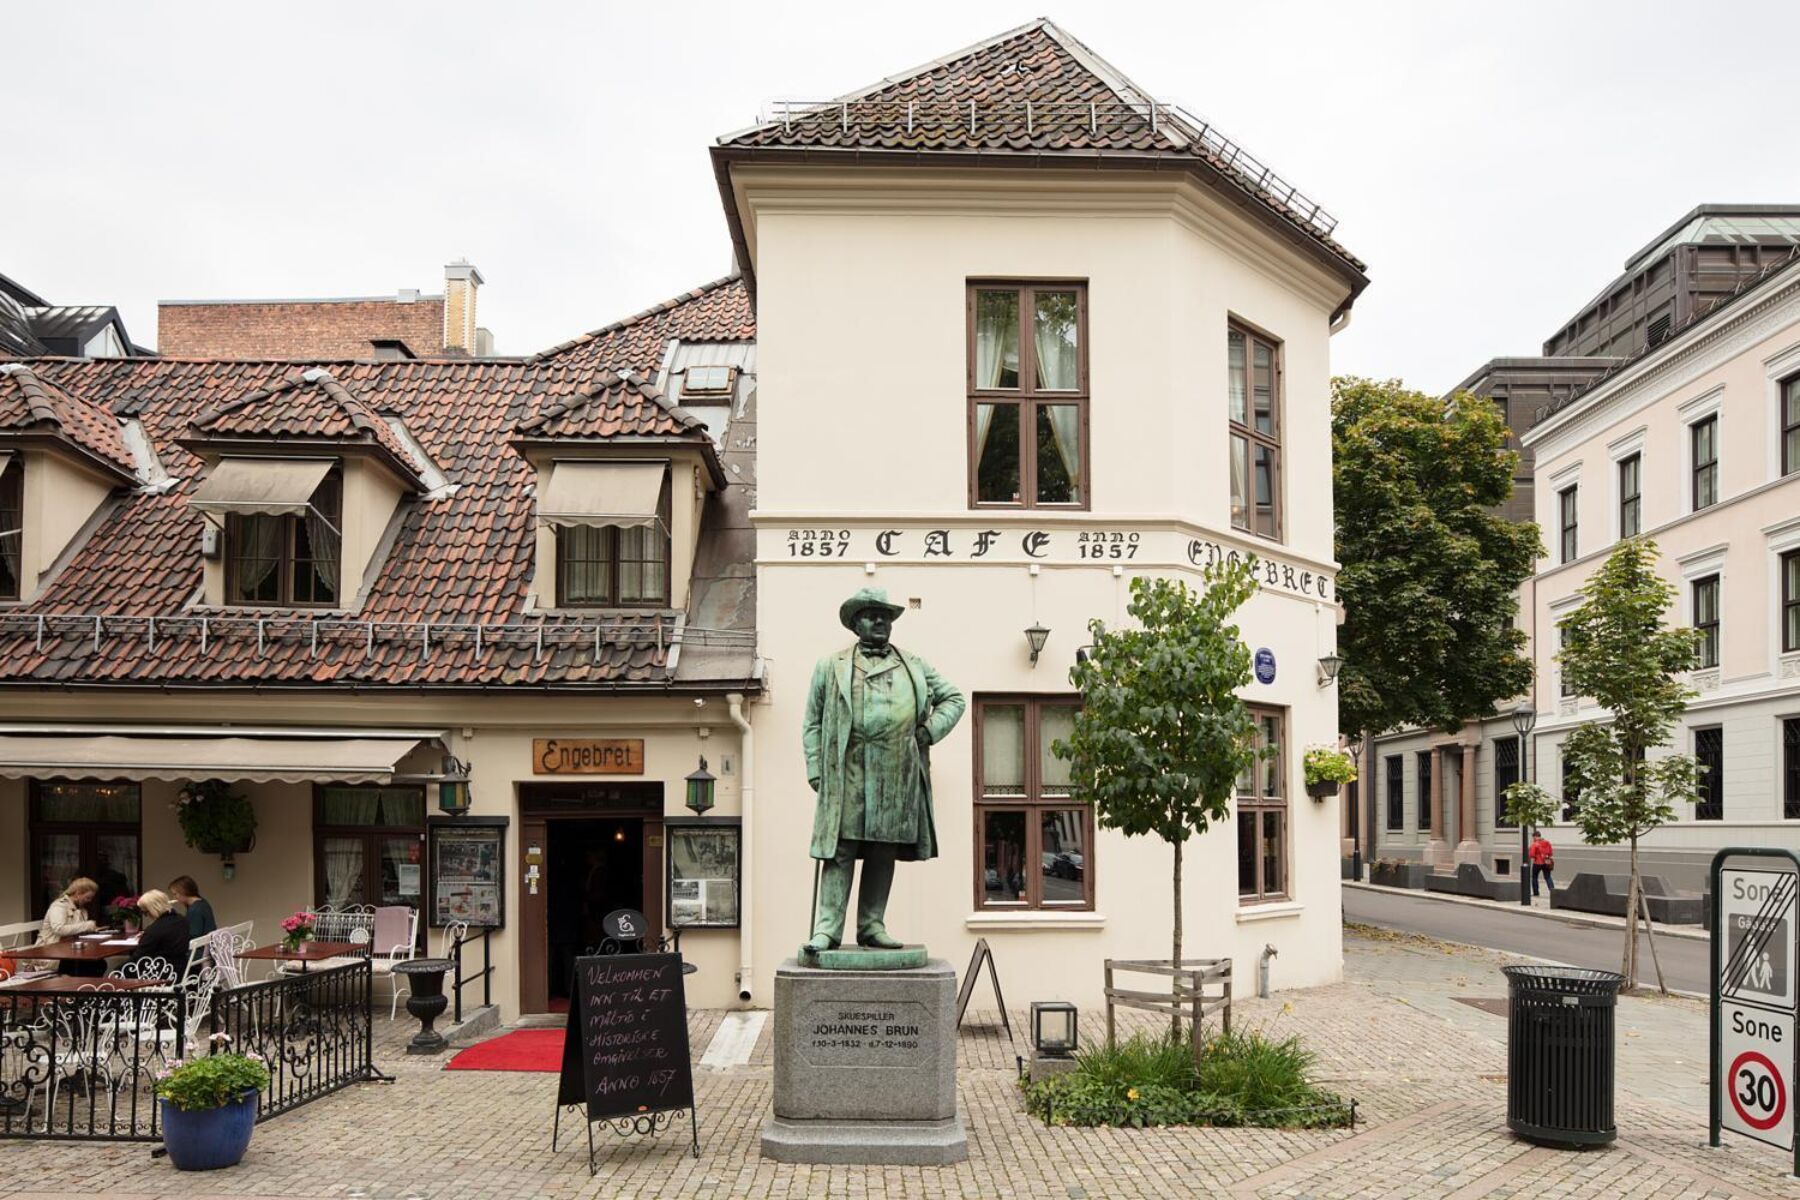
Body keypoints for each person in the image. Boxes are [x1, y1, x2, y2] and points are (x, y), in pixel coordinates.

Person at [801, 587, 965, 953]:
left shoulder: (914, 664)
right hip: (847, 771)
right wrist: (816, 768)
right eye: (873, 615)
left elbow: (954, 698)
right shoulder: (831, 666)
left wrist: (928, 731)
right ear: (856, 622)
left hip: (896, 772)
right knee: (839, 849)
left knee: (882, 850)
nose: (881, 621)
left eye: (886, 616)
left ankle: (872, 925)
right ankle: (827, 929)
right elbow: (812, 721)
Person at [36, 877, 104, 977]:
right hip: (53, 954)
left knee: (99, 964)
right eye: (87, 897)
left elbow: (78, 931)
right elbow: (59, 929)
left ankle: (85, 990)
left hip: (71, 951)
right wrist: (86, 925)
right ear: (77, 893)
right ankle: (82, 990)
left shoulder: (81, 909)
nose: (89, 901)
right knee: (93, 966)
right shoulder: (59, 906)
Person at [130, 889, 191, 979]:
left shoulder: (155, 929)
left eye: (145, 912)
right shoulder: (181, 920)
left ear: (153, 909)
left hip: (161, 972)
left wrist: (115, 972)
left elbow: (138, 958)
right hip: (181, 969)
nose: (146, 916)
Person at [1529, 831, 1555, 900]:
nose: (1533, 839)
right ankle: (1553, 892)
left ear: (1535, 836)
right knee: (1548, 877)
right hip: (1546, 862)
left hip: (1537, 863)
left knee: (1534, 877)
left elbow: (1531, 854)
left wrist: (1536, 856)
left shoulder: (1535, 844)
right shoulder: (1547, 842)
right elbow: (1551, 853)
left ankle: (1536, 892)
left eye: (1533, 837)